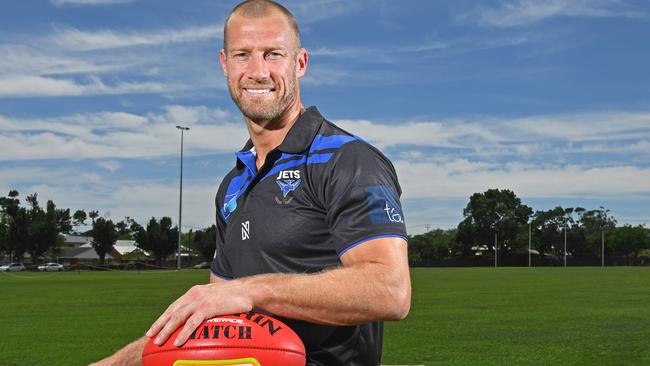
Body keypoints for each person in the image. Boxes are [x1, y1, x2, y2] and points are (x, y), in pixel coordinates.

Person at [90, 0, 410, 365]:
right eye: (243, 55)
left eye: (273, 54)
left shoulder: (347, 159)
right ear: (225, 64)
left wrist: (252, 290)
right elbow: (213, 318)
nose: (258, 72)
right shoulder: (233, 185)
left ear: (300, 63)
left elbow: (390, 290)